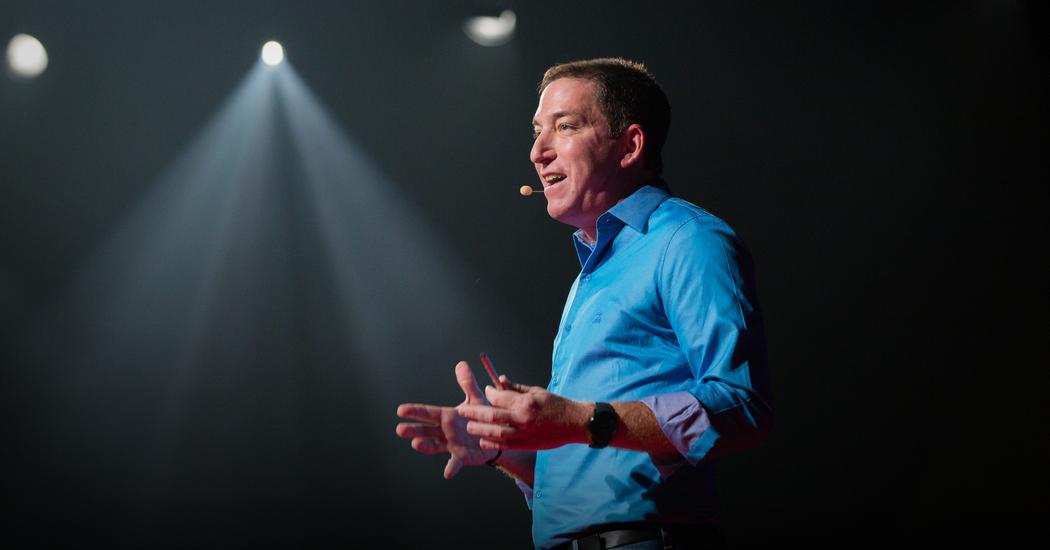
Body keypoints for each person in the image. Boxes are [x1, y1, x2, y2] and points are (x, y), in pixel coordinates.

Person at [396, 58, 773, 550]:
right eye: (537, 132)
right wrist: (502, 447)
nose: (537, 152)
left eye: (565, 126)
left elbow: (743, 407)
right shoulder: (589, 276)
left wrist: (576, 418)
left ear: (630, 146)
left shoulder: (689, 240)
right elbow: (592, 459)